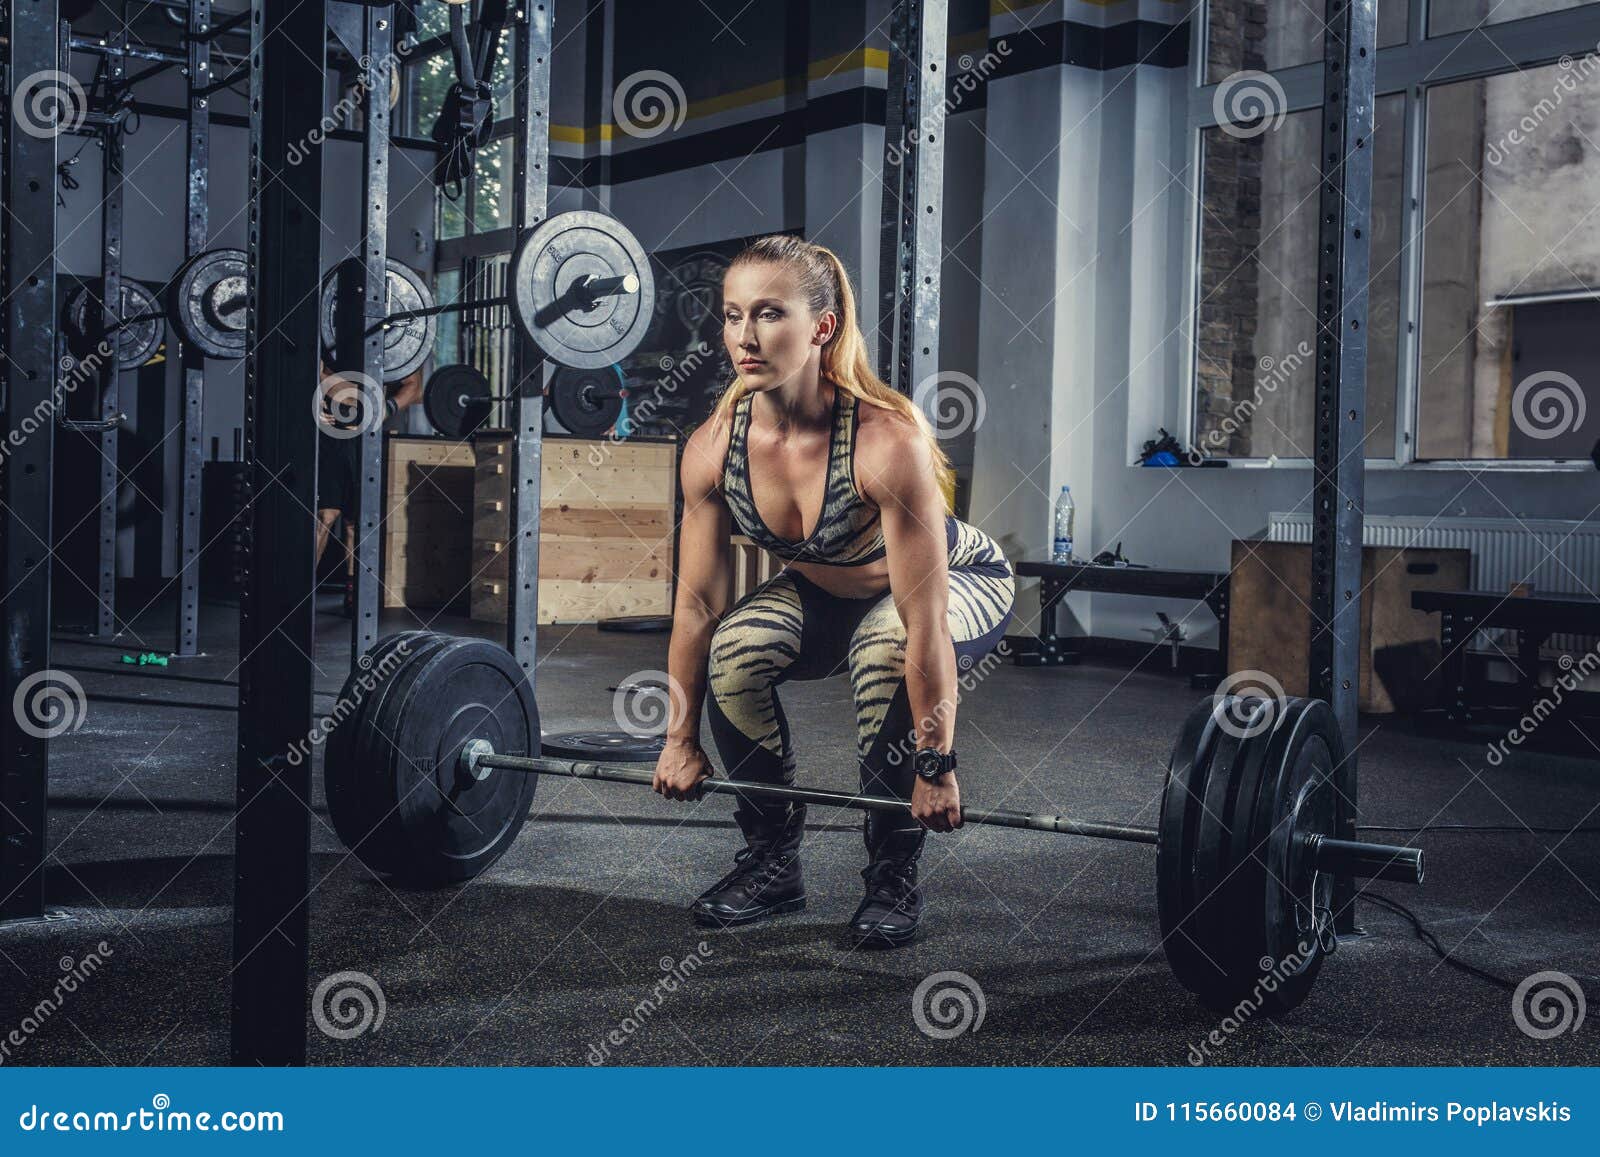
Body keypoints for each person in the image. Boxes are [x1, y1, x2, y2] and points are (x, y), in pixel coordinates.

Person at [652, 234, 1015, 948]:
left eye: (768, 314)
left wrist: (938, 765)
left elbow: (924, 619)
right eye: (731, 316)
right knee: (734, 648)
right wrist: (677, 737)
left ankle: (891, 874)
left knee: (887, 645)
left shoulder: (886, 441)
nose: (744, 337)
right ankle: (772, 860)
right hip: (829, 587)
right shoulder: (711, 447)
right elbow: (696, 605)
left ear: (822, 326)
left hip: (954, 580)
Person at [315, 362, 424, 613]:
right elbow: (308, 370)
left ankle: (354, 594)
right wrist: (316, 397)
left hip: (366, 435)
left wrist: (386, 409)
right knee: (323, 516)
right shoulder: (328, 332)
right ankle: (298, 592)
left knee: (357, 521)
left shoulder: (393, 339)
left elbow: (414, 387)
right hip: (328, 433)